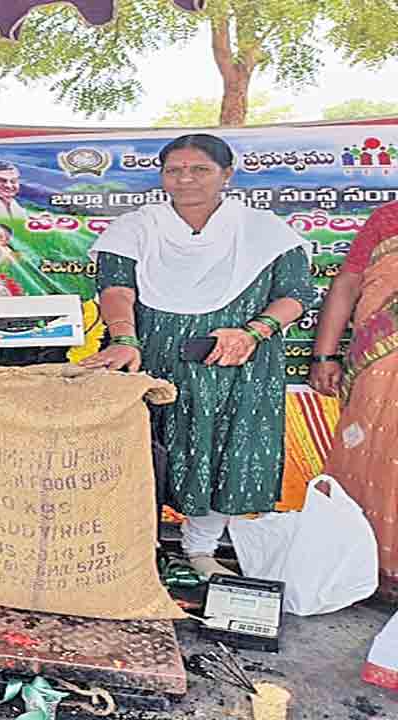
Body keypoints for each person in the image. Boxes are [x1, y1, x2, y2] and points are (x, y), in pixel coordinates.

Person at [82, 134, 315, 580]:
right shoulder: (136, 227)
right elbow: (115, 288)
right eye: (175, 170)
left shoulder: (264, 231)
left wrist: (255, 331)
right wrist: (125, 339)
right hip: (149, 358)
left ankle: (201, 552)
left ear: (227, 174)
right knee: (140, 452)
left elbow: (298, 294)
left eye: (200, 169)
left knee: (222, 449)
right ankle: (133, 548)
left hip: (234, 364)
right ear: (162, 175)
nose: (186, 179)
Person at [310, 200, 398, 601]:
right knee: (373, 458)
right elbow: (349, 282)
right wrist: (324, 353)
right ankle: (371, 570)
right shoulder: (390, 217)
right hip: (381, 360)